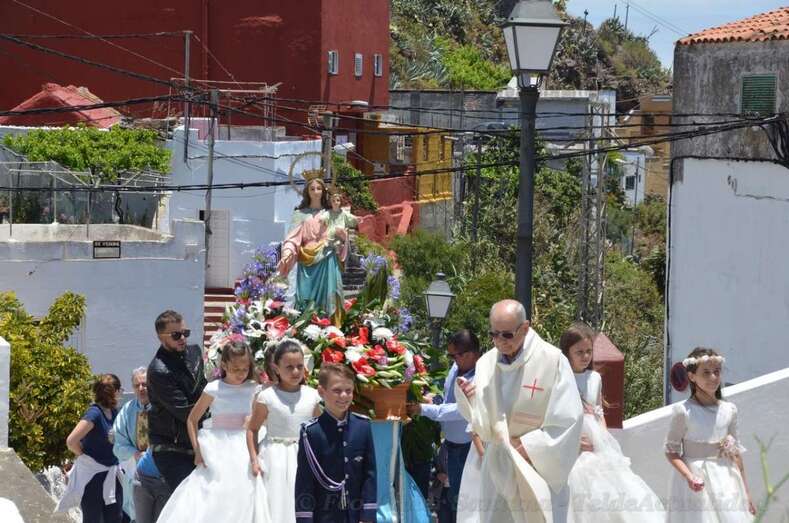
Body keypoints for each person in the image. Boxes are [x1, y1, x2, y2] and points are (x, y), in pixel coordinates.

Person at [454, 299, 583, 523]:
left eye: (507, 335)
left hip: (536, 466)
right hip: (499, 467)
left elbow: (569, 419)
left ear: (525, 328)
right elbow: (483, 424)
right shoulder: (486, 363)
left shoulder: (552, 361)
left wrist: (529, 448)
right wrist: (471, 399)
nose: (500, 342)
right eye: (494, 334)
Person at [559, 322, 664, 522]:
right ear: (567, 353)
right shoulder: (559, 378)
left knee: (607, 493)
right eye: (579, 352)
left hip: (596, 444)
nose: (585, 356)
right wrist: (574, 440)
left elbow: (599, 413)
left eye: (588, 351)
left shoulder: (595, 378)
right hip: (571, 443)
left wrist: (603, 441)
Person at [157, 342, 270, 523]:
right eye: (235, 369)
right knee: (215, 490)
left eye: (244, 368)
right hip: (219, 446)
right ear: (224, 365)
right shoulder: (213, 389)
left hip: (246, 444)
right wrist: (197, 450)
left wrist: (254, 421)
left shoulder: (253, 388)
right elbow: (192, 420)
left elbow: (262, 419)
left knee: (247, 489)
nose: (241, 374)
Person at [665, 347, 756, 522]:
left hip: (726, 479)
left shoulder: (729, 410)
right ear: (692, 376)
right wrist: (689, 477)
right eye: (706, 373)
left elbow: (736, 454)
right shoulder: (683, 411)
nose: (713, 377)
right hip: (696, 479)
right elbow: (671, 450)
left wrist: (746, 493)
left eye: (716, 372)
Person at [407, 329, 481, 522]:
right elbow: (447, 398)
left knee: (463, 502)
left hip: (467, 449)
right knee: (446, 502)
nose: (452, 359)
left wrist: (422, 409)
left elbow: (459, 410)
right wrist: (434, 399)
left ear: (471, 354)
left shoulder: (481, 378)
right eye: (450, 355)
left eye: (455, 355)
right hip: (449, 446)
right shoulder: (457, 368)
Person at [247, 339, 322, 523]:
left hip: (303, 455)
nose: (295, 371)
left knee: (301, 501)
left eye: (299, 366)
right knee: (277, 502)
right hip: (274, 457)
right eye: (289, 367)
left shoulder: (312, 395)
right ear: (276, 367)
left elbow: (319, 428)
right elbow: (252, 429)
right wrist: (254, 459)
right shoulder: (267, 396)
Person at [295, 363, 377, 523]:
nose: (344, 396)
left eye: (349, 391)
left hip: (355, 515)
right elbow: (304, 481)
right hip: (324, 515)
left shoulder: (363, 426)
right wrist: (305, 519)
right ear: (321, 392)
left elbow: (370, 474)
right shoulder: (311, 432)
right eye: (337, 391)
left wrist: (367, 516)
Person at [146, 310, 207, 494]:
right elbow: (186, 412)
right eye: (176, 335)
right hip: (171, 450)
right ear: (160, 337)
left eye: (185, 333)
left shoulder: (195, 353)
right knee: (187, 501)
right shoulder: (158, 370)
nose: (182, 338)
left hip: (198, 441)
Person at [278, 174, 344, 321]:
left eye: (319, 188)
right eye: (312, 188)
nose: (315, 191)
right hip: (306, 262)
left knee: (328, 297)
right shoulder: (299, 214)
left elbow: (340, 236)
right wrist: (287, 253)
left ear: (323, 191)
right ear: (307, 192)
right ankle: (304, 326)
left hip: (326, 259)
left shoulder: (331, 214)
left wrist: (343, 239)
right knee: (304, 298)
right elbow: (292, 239)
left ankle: (328, 326)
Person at [60, 374, 124, 522]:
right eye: (119, 390)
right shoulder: (94, 413)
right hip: (93, 477)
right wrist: (83, 455)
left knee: (115, 517)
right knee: (93, 518)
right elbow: (71, 441)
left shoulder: (114, 412)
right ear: (114, 392)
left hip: (111, 474)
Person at [112, 367, 150, 522]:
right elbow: (118, 444)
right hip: (136, 471)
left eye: (145, 384)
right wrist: (134, 453)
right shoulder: (127, 411)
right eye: (137, 385)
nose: (141, 388)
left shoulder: (163, 407)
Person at [326, 188, 358, 266]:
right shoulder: (328, 213)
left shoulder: (343, 213)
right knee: (334, 236)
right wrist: (321, 219)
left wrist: (357, 219)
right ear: (330, 202)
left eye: (337, 200)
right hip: (331, 234)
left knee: (340, 232)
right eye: (333, 201)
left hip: (341, 234)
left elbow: (350, 217)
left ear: (340, 202)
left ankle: (341, 255)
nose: (335, 202)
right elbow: (324, 217)